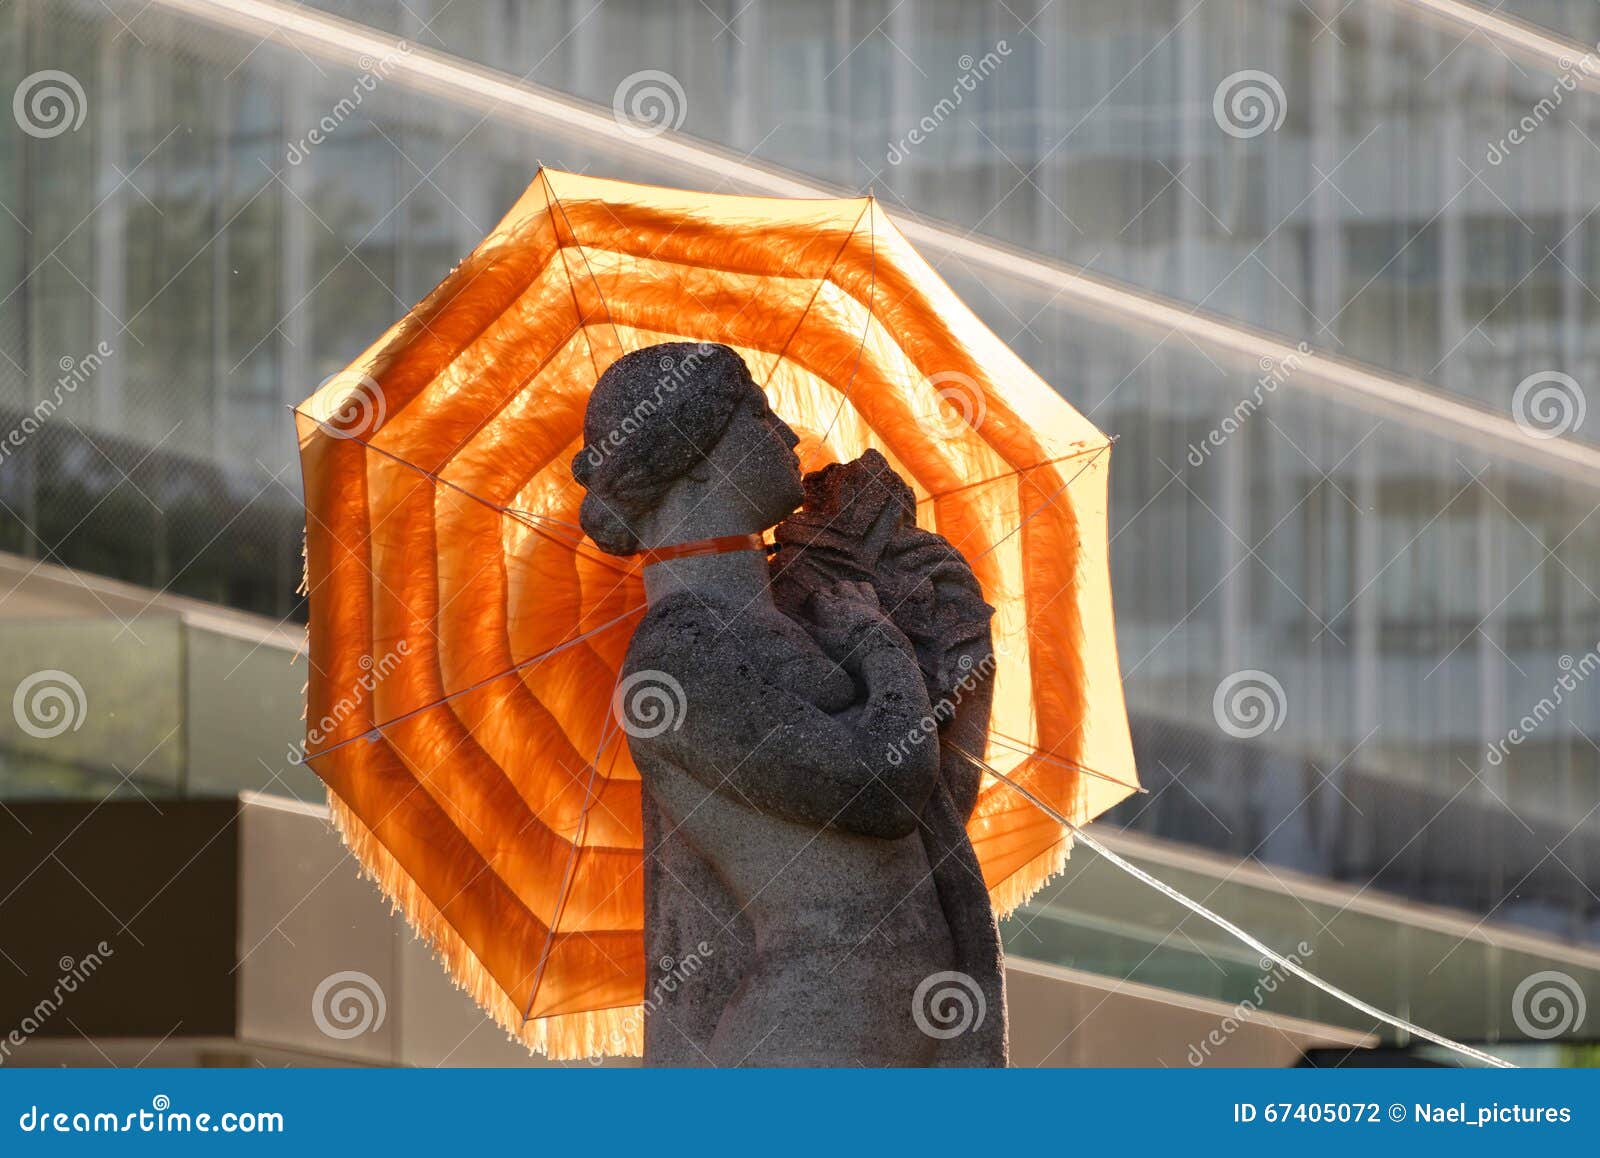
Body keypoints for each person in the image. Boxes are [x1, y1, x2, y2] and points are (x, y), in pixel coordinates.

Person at [571, 341, 1005, 1065]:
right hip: (808, 1035)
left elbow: (936, 815)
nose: (788, 434)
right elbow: (881, 792)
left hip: (900, 1024)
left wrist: (954, 642)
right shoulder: (678, 652)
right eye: (758, 413)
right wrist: (880, 643)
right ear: (695, 453)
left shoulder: (793, 615)